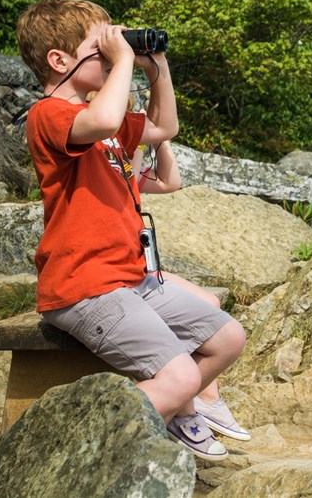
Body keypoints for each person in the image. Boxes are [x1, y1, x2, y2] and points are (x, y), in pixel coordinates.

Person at [16, 0, 246, 461]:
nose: (109, 53)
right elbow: (100, 117)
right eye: (97, 48)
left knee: (228, 338)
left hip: (131, 278)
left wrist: (155, 64)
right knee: (179, 375)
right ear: (59, 60)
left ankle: (173, 415)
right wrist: (123, 59)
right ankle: (78, 452)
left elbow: (165, 126)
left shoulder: (109, 126)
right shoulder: (49, 115)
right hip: (86, 286)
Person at [131, 140, 252, 442]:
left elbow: (171, 181)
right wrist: (136, 140)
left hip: (142, 268)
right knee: (202, 310)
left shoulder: (123, 159)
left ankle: (205, 399)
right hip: (122, 274)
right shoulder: (107, 158)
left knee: (209, 301)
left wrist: (158, 139)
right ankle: (191, 407)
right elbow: (129, 175)